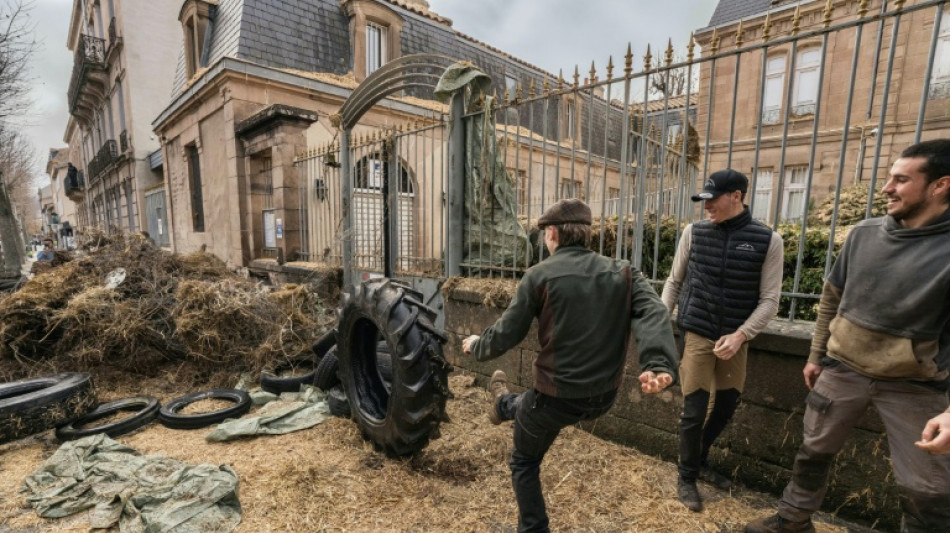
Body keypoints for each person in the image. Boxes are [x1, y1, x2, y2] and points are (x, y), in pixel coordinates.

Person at [745, 139, 950, 533]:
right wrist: (816, 354)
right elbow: (830, 299)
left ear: (940, 186)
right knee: (812, 451)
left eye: (901, 179)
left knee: (928, 485)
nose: (887, 187)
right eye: (890, 177)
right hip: (843, 369)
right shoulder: (864, 233)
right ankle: (792, 521)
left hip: (916, 386)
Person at [461, 198, 679, 533]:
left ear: (551, 233)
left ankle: (534, 528)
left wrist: (477, 346)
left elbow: (507, 333)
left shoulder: (539, 276)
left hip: (555, 397)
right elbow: (654, 311)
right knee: (531, 408)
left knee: (524, 460)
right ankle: (504, 403)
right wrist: (658, 362)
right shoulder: (624, 272)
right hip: (602, 397)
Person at [661, 168, 784, 512]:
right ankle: (686, 476)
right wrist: (658, 324)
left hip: (736, 337)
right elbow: (674, 282)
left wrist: (742, 334)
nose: (707, 207)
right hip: (698, 331)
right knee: (694, 410)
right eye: (704, 200)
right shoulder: (694, 233)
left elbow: (770, 301)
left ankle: (699, 459)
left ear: (737, 197)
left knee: (726, 407)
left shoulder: (768, 240)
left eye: (713, 200)